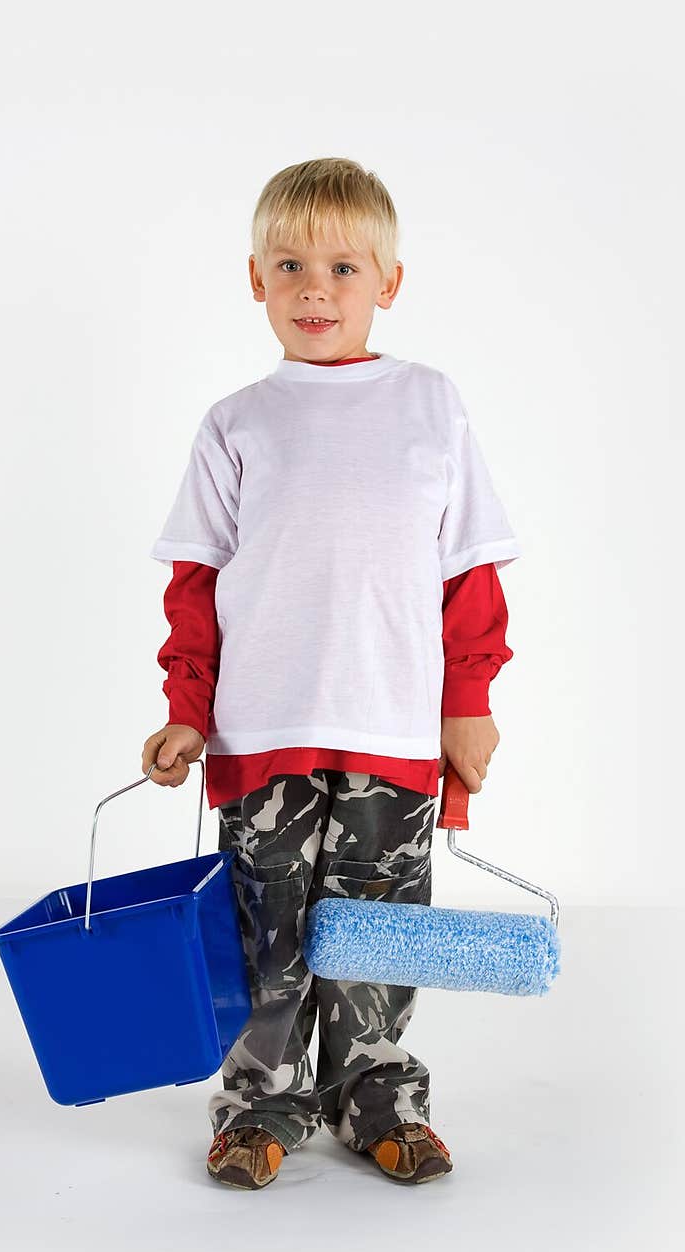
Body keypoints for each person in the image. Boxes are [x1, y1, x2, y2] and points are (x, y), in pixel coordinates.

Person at [142, 157, 520, 1190]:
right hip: (260, 730)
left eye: (343, 266)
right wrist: (185, 711)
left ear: (388, 283)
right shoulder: (235, 424)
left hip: (393, 727)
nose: (316, 287)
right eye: (290, 264)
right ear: (254, 278)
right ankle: (260, 1103)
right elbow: (194, 584)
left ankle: (377, 1094)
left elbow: (469, 576)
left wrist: (468, 701)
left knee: (376, 922)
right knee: (265, 929)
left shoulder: (430, 406)